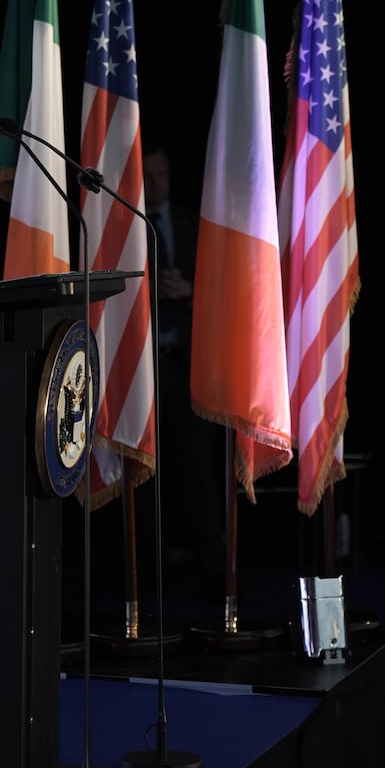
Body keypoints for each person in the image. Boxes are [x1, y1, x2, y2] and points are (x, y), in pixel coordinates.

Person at [141, 142, 225, 592]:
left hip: (191, 367)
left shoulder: (196, 224)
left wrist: (189, 288)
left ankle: (215, 568)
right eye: (148, 178)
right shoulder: (127, 225)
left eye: (162, 177)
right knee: (144, 475)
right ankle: (147, 574)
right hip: (145, 371)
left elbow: (226, 287)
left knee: (199, 473)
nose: (156, 185)